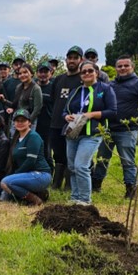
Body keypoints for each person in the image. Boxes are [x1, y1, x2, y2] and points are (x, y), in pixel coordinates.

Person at [92, 55, 138, 198]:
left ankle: (130, 190)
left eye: (126, 65)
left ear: (132, 67)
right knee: (101, 159)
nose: (123, 68)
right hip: (108, 129)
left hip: (127, 130)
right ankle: (96, 186)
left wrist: (136, 122)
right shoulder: (111, 85)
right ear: (116, 68)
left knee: (127, 161)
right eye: (120, 66)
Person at [63, 61, 117, 205]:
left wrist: (91, 114)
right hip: (73, 133)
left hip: (92, 134)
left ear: (96, 73)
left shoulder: (105, 89)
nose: (86, 73)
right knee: (72, 167)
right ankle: (75, 197)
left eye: (90, 71)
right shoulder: (76, 91)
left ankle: (85, 200)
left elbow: (112, 112)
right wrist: (66, 116)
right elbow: (65, 109)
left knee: (81, 166)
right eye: (83, 72)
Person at [0, 109, 52, 206]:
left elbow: (30, 161)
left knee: (6, 182)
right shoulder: (16, 138)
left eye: (23, 120)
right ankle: (37, 194)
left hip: (41, 174)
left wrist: (15, 175)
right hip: (28, 174)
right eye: (17, 121)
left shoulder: (33, 137)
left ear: (29, 122)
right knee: (6, 189)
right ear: (14, 123)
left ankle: (35, 200)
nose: (20, 123)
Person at [50, 46, 84, 190]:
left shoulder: (82, 79)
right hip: (56, 123)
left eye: (75, 58)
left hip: (73, 124)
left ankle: (69, 185)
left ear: (81, 60)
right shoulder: (58, 79)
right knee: (57, 154)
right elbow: (53, 99)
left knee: (71, 155)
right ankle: (56, 183)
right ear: (66, 60)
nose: (72, 60)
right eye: (69, 57)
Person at [10, 63, 43, 133]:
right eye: (20, 73)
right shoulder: (18, 87)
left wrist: (29, 121)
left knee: (27, 141)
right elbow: (15, 104)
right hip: (17, 118)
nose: (22, 75)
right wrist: (3, 100)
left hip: (29, 121)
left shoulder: (36, 88)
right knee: (13, 140)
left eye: (25, 72)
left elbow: (37, 108)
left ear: (31, 73)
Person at [35, 63, 55, 169]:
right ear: (37, 73)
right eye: (40, 72)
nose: (43, 74)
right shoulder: (32, 86)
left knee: (47, 150)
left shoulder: (53, 87)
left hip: (48, 123)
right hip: (33, 123)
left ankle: (50, 171)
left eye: (45, 72)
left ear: (50, 73)